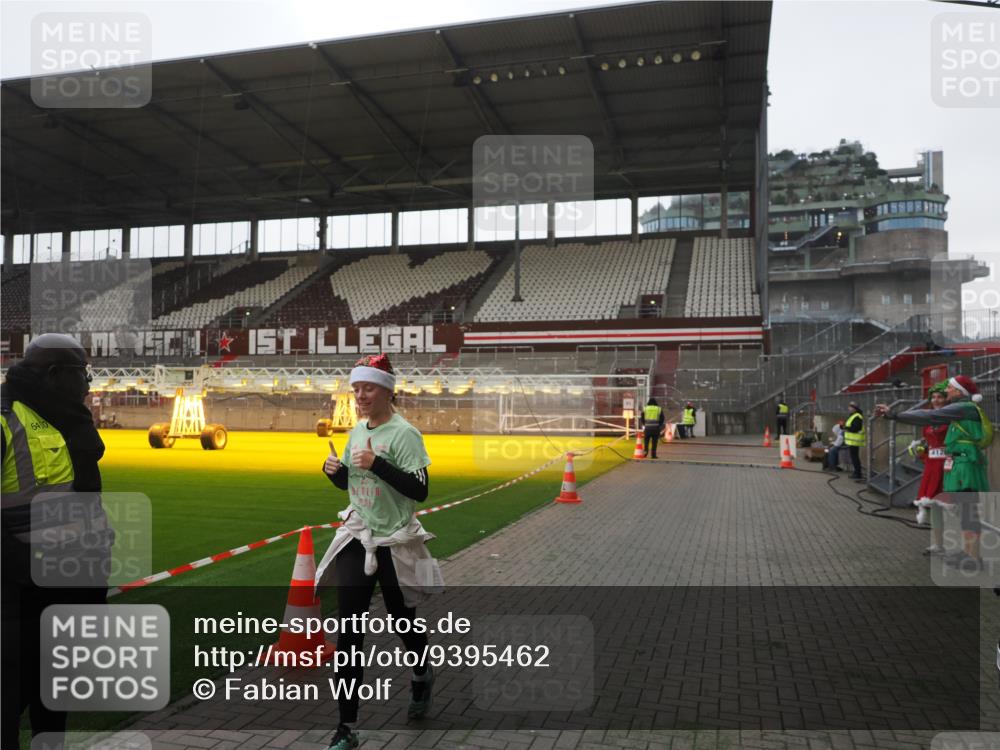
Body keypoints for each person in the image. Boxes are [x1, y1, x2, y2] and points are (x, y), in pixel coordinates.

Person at [315, 354, 441, 750]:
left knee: (403, 621)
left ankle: (421, 673)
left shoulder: (405, 434)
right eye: (356, 389)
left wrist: (377, 462)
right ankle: (346, 727)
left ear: (388, 390)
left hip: (394, 541)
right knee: (350, 631)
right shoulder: (356, 430)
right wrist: (336, 474)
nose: (360, 395)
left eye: (368, 388)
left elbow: (419, 490)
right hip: (358, 536)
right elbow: (356, 483)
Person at [2, 333, 112, 749]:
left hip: (69, 591)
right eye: (82, 374)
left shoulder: (66, 420)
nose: (88, 384)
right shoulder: (4, 417)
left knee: (55, 697)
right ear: (53, 375)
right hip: (16, 599)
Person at [876, 374, 991, 569]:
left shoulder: (964, 408)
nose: (946, 390)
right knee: (965, 511)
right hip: (960, 463)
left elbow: (929, 415)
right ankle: (969, 553)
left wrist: (894, 415)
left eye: (950, 388)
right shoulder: (962, 409)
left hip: (965, 465)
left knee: (968, 511)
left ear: (959, 391)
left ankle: (974, 557)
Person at [905, 382, 950, 555]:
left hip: (947, 465)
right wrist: (921, 448)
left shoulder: (951, 418)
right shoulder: (929, 418)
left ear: (946, 400)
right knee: (934, 506)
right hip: (932, 465)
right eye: (934, 397)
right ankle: (939, 544)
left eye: (940, 397)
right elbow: (928, 440)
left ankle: (957, 545)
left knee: (948, 506)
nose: (936, 400)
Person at [843, 402, 866, 481]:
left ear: (854, 408)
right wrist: (844, 427)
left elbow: (856, 428)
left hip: (855, 441)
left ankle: (857, 473)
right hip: (852, 441)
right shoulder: (853, 416)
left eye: (850, 407)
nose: (849, 408)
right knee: (854, 457)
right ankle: (856, 473)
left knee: (855, 457)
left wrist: (847, 428)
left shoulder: (857, 417)